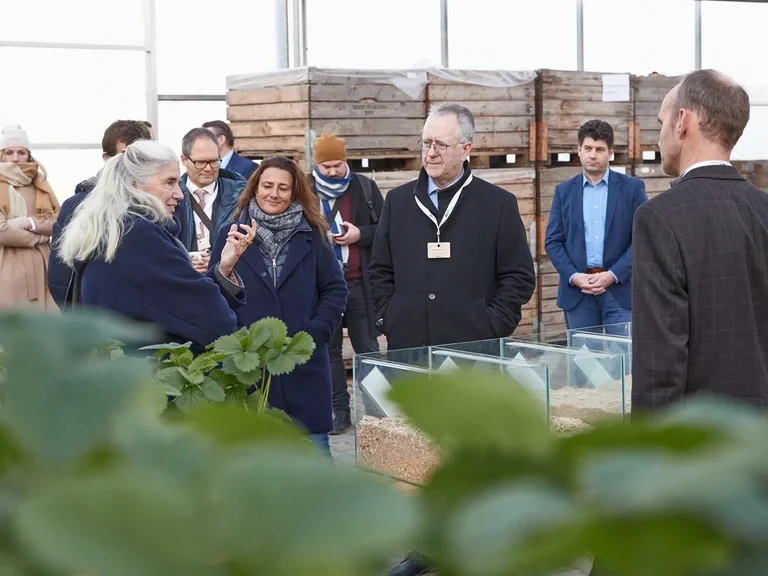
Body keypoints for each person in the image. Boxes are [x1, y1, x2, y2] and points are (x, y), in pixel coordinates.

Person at [631, 69, 768, 411]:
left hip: (702, 433)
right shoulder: (763, 209)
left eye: (661, 122)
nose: (659, 137)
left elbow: (659, 362)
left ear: (682, 121)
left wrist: (650, 440)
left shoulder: (659, 218)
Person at [58, 140, 255, 353]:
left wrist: (223, 269)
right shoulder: (140, 236)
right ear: (134, 184)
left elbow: (166, 299)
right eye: (169, 182)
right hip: (150, 369)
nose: (180, 194)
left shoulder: (110, 229)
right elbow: (215, 320)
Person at [369, 103, 536, 351]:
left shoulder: (498, 205)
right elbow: (380, 269)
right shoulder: (397, 201)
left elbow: (519, 276)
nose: (431, 153)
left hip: (474, 352)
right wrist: (389, 317)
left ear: (465, 149)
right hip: (409, 347)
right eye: (426, 143)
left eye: (441, 145)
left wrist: (493, 324)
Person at [209, 156, 347, 455]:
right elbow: (212, 297)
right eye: (267, 185)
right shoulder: (231, 233)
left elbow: (335, 289)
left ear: (295, 193)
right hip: (250, 369)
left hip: (303, 364)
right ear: (255, 188)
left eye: (283, 188)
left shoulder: (313, 234)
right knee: (256, 466)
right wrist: (226, 266)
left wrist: (315, 332)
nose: (274, 193)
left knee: (315, 463)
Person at [310, 133, 384, 435]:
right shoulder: (304, 188)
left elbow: (385, 228)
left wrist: (360, 234)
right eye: (326, 167)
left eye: (337, 165)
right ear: (316, 165)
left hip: (357, 283)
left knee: (367, 348)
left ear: (345, 160)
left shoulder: (364, 187)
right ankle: (338, 411)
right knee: (328, 352)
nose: (332, 172)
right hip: (320, 288)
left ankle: (377, 412)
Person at [544, 120, 647, 333]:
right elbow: (553, 242)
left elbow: (643, 238)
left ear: (610, 153)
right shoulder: (563, 191)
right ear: (579, 150)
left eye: (599, 149)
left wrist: (613, 274)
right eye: (588, 148)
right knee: (585, 354)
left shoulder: (632, 189)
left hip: (619, 290)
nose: (593, 155)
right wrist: (575, 277)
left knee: (623, 353)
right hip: (578, 294)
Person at [49, 120, 152, 305]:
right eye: (125, 155)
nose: (132, 164)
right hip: (92, 314)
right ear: (106, 157)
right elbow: (61, 273)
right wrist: (72, 313)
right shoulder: (77, 205)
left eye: (140, 157)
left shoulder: (157, 203)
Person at [0, 125, 60, 311]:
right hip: (7, 265)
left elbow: (57, 222)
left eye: (21, 152)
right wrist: (36, 237)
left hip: (43, 265)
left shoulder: (40, 183)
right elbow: (1, 232)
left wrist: (28, 222)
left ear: (29, 155)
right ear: (2, 155)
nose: (15, 158)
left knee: (46, 320)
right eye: (9, 152)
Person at [175, 127, 247, 274]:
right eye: (201, 162)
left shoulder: (241, 194)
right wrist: (183, 261)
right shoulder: (171, 196)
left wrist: (220, 262)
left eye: (214, 161)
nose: (208, 168)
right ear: (184, 160)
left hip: (226, 278)